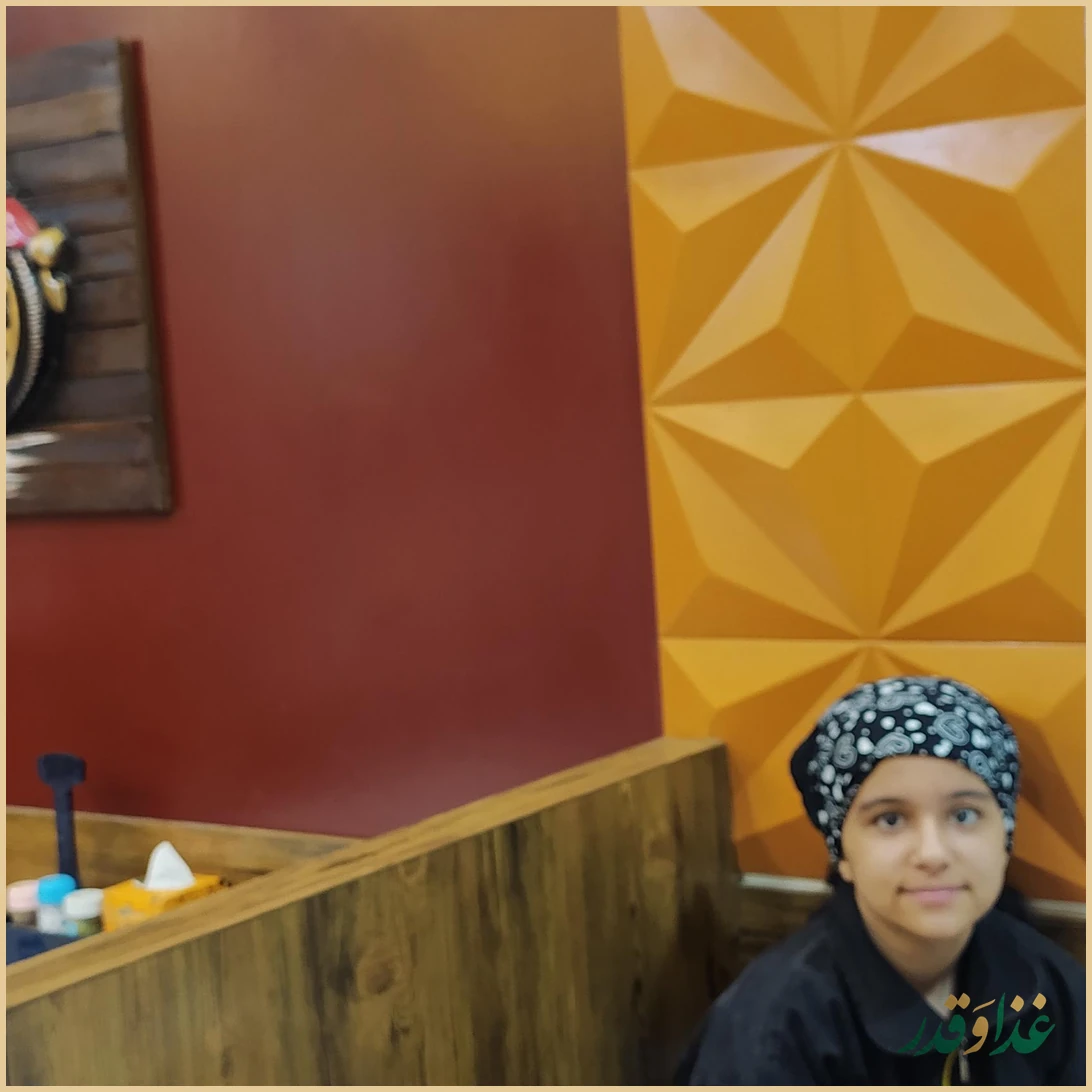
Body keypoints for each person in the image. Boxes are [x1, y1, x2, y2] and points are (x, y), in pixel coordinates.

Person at [679, 676, 1086, 1085]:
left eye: (963, 815)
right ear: (844, 855)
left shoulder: (1051, 985)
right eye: (890, 819)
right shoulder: (772, 1032)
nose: (932, 854)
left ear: (1004, 838)